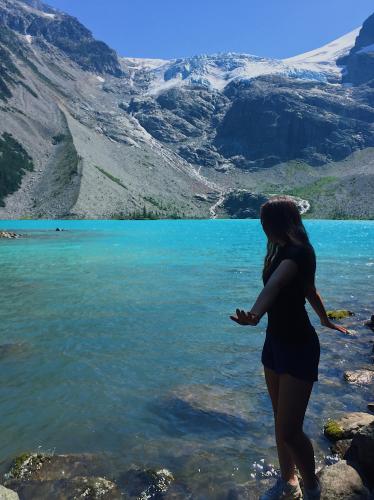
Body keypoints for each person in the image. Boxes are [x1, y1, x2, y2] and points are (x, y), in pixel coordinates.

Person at [230, 196, 349, 500]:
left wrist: (255, 315)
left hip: (298, 346)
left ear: (279, 223)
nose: (262, 228)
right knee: (279, 419)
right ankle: (289, 481)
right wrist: (325, 319)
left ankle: (311, 488)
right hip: (275, 344)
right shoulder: (280, 250)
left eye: (265, 223)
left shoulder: (299, 252)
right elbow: (309, 289)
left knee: (289, 430)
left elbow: (277, 286)